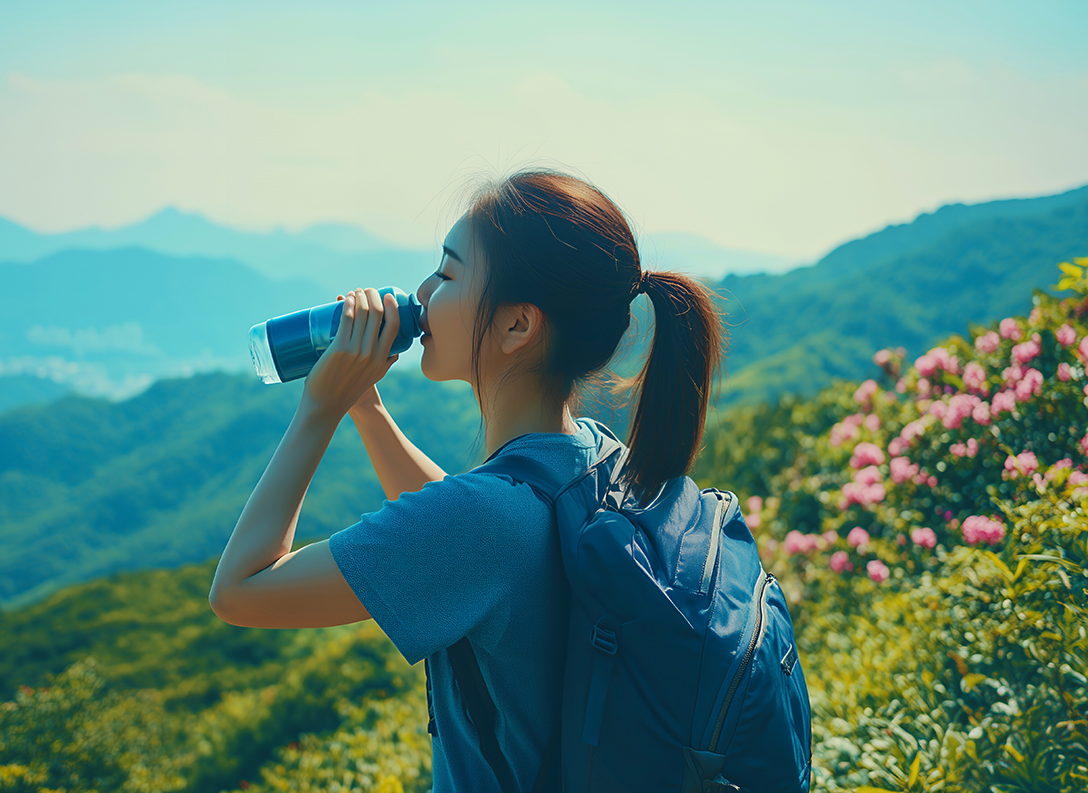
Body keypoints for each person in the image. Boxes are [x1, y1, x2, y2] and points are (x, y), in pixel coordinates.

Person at [209, 169, 724, 791]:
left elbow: (238, 591)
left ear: (516, 326)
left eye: (448, 273)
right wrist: (364, 407)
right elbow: (460, 535)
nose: (423, 290)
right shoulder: (594, 457)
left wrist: (317, 409)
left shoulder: (484, 522)